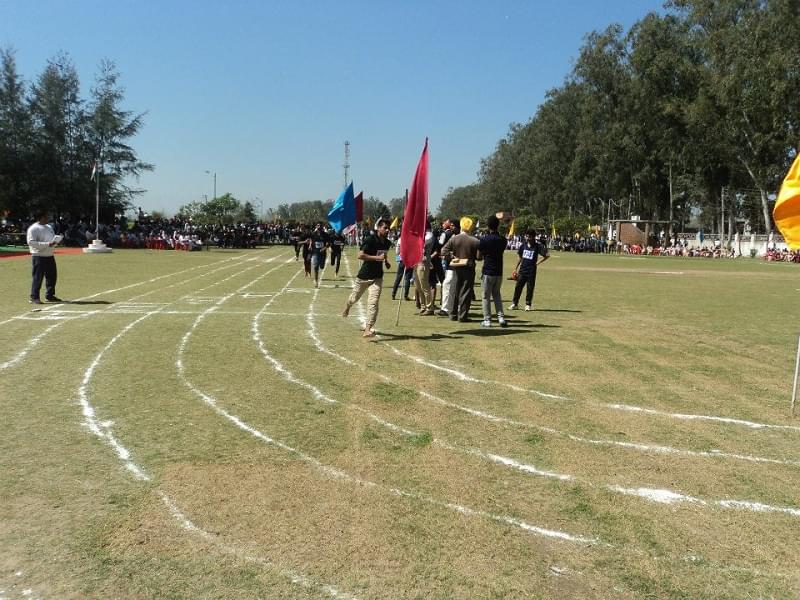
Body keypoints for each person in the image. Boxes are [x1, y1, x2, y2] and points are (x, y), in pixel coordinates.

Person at [341, 218, 391, 338]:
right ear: (378, 228)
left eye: (389, 228)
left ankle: (368, 328)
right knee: (354, 298)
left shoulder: (387, 243)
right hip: (364, 276)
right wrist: (377, 258)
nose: (388, 230)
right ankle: (347, 307)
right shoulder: (370, 239)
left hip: (377, 277)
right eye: (385, 228)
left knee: (373, 303)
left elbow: (383, 254)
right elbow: (360, 255)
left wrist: (386, 261)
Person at [441, 217, 479, 322]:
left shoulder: (454, 238)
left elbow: (443, 251)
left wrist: (453, 257)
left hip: (456, 267)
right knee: (466, 292)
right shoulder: (475, 240)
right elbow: (479, 257)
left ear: (461, 226)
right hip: (469, 268)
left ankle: (452, 314)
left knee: (455, 291)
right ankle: (462, 316)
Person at [477, 215, 507, 327]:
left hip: (488, 270)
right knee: (497, 295)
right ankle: (501, 318)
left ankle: (487, 319)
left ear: (488, 226)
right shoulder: (503, 240)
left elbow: (478, 257)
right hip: (499, 271)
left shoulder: (484, 239)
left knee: (485, 296)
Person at [27, 209, 62, 304]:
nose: (49, 218)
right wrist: (47, 244)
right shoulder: (33, 228)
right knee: (38, 277)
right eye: (47, 216)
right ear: (41, 217)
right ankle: (34, 297)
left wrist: (55, 242)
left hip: (49, 255)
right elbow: (31, 242)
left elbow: (52, 239)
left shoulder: (49, 227)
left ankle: (50, 295)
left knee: (52, 276)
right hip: (39, 256)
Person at [509, 228, 549, 311]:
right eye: (527, 236)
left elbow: (547, 255)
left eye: (530, 236)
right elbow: (520, 257)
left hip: (531, 271)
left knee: (530, 288)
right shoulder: (523, 246)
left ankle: (528, 304)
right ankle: (514, 303)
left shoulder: (537, 246)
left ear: (534, 237)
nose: (528, 238)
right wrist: (515, 268)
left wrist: (537, 263)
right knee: (518, 287)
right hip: (522, 270)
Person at [437, 219, 459, 316]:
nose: (451, 227)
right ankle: (446, 308)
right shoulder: (452, 237)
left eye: (453, 226)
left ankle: (451, 309)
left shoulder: (460, 237)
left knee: (454, 287)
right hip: (451, 265)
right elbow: (444, 250)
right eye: (451, 225)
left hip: (460, 266)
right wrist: (450, 255)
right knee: (448, 285)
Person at [309, 222, 329, 288]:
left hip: (322, 253)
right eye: (318, 225)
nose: (319, 226)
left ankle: (321, 265)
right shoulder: (313, 234)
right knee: (315, 267)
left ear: (322, 226)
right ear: (316, 226)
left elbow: (328, 244)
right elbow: (311, 240)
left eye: (320, 225)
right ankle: (316, 281)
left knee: (322, 266)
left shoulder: (325, 234)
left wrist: (324, 248)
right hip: (315, 252)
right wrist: (310, 245)